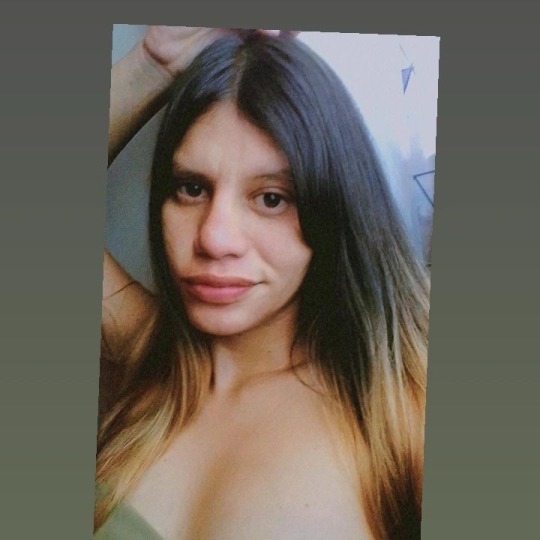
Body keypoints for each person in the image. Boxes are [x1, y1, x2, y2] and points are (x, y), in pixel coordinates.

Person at [95, 26, 430, 540]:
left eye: (271, 198)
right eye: (191, 188)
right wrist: (152, 65)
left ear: (334, 208)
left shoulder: (400, 410)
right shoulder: (155, 354)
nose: (215, 238)